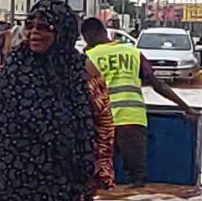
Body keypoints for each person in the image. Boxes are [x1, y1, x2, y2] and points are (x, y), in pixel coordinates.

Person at [0, 0, 113, 201]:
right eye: (30, 25)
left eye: (44, 27)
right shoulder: (15, 65)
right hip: (12, 182)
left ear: (62, 31)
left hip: (63, 184)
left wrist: (101, 165)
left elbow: (103, 118)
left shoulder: (81, 69)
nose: (34, 33)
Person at [83, 16, 193, 187]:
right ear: (105, 32)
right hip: (133, 120)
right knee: (137, 180)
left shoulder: (89, 57)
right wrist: (186, 107)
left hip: (102, 125)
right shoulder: (132, 52)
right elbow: (157, 84)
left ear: (88, 37)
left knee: (100, 179)